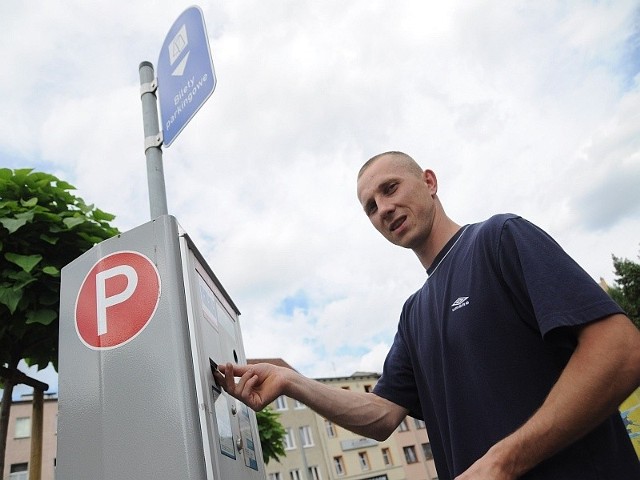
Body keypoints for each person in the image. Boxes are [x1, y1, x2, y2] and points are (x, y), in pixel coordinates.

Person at [216, 151, 640, 479]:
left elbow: (621, 350)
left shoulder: (499, 238)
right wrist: (294, 381)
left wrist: (504, 462)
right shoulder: (414, 313)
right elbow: (382, 415)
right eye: (369, 206)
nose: (382, 207)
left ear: (430, 182)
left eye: (390, 188)